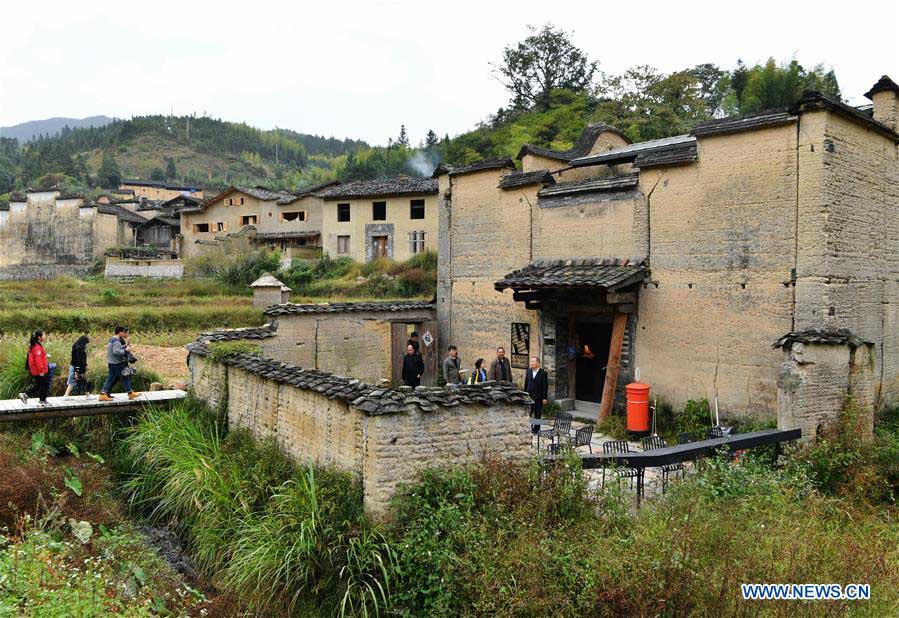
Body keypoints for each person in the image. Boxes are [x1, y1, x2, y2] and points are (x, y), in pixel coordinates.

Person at [99, 326, 141, 401]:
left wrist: (125, 346)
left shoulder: (112, 339)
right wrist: (126, 350)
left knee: (112, 378)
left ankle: (104, 393)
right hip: (117, 363)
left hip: (112, 363)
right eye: (123, 332)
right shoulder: (116, 340)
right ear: (120, 332)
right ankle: (130, 393)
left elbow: (116, 349)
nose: (124, 333)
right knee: (125, 377)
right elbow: (116, 352)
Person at [19, 331, 53, 405]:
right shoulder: (37, 347)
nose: (45, 336)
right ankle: (42, 400)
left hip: (36, 370)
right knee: (44, 384)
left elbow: (36, 357)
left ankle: (25, 394)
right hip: (40, 370)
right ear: (39, 337)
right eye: (44, 335)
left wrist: (45, 356)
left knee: (38, 385)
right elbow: (38, 360)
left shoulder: (34, 345)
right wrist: (41, 371)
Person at [524, 356, 548, 435]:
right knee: (529, 413)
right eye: (531, 361)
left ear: (538, 363)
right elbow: (526, 384)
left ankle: (536, 429)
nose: (531, 363)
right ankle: (528, 427)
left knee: (538, 414)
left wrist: (544, 397)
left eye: (533, 361)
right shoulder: (528, 371)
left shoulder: (543, 373)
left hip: (538, 397)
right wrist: (524, 394)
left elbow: (545, 386)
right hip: (529, 396)